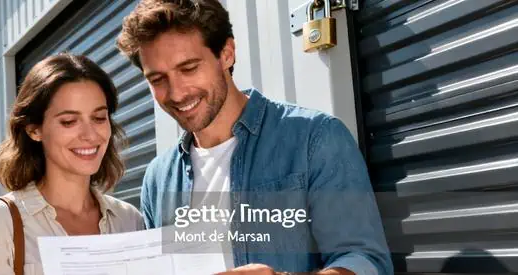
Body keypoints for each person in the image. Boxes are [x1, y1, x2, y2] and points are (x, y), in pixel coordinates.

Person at [116, 1, 393, 275]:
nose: (176, 93)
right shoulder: (157, 179)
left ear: (226, 54)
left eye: (188, 68)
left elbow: (367, 261)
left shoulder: (315, 138)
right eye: (157, 79)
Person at [0, 53, 144, 274]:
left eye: (99, 118)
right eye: (69, 121)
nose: (90, 135)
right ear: (34, 130)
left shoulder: (129, 220)